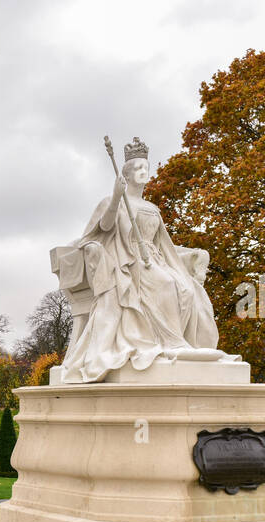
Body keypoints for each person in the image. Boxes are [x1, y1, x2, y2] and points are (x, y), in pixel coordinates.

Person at [55, 137, 221, 383]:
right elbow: (104, 226)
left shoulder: (152, 208)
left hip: (154, 258)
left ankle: (178, 343)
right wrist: (115, 197)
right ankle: (172, 343)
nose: (144, 172)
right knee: (165, 284)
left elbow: (164, 243)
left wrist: (185, 259)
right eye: (138, 168)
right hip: (126, 259)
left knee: (186, 287)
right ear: (127, 174)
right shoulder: (113, 201)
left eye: (146, 167)